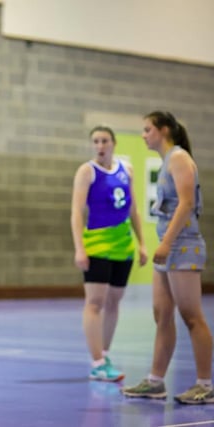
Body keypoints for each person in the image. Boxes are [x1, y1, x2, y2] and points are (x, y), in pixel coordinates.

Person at [122, 111, 213, 404]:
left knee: (192, 316)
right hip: (169, 245)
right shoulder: (167, 161)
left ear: (163, 130)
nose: (143, 135)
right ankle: (156, 381)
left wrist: (167, 243)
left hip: (183, 246)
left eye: (147, 130)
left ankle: (205, 384)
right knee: (162, 314)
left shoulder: (178, 158)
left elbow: (186, 203)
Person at [70, 125, 148, 382]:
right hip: (97, 245)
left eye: (104, 141)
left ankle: (105, 353)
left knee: (114, 302)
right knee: (95, 303)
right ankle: (96, 362)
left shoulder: (127, 170)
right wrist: (80, 247)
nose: (100, 145)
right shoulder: (87, 171)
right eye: (96, 141)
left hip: (123, 245)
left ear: (113, 143)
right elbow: (77, 212)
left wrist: (143, 244)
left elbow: (134, 210)